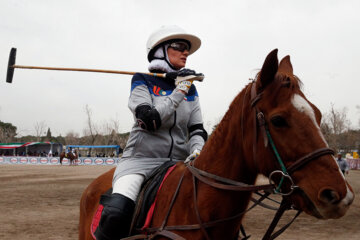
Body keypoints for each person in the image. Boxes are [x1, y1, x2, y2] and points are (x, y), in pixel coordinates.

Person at [94, 25, 208, 240]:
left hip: (179, 163)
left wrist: (197, 151)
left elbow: (197, 129)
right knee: (116, 213)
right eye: (180, 47)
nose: (186, 52)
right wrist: (178, 92)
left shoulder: (191, 88)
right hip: (140, 162)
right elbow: (149, 120)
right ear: (160, 51)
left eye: (187, 49)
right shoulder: (142, 80)